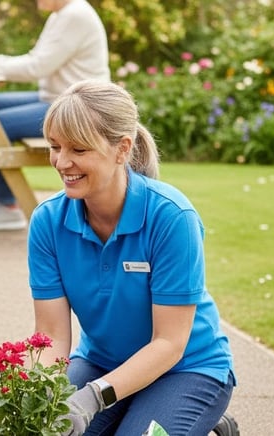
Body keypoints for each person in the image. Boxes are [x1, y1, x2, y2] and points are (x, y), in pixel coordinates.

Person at [27, 80, 235, 435]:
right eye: (55, 147)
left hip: (186, 369)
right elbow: (51, 334)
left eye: (78, 149)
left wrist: (94, 397)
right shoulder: (48, 221)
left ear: (122, 149)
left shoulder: (171, 217)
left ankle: (203, 422)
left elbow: (169, 343)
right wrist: (40, 392)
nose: (62, 162)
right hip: (101, 364)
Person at [0, 0, 109, 230]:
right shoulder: (61, 14)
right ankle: (3, 198)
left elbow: (37, 67)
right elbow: (35, 57)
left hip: (80, 108)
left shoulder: (75, 15)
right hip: (57, 98)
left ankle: (8, 207)